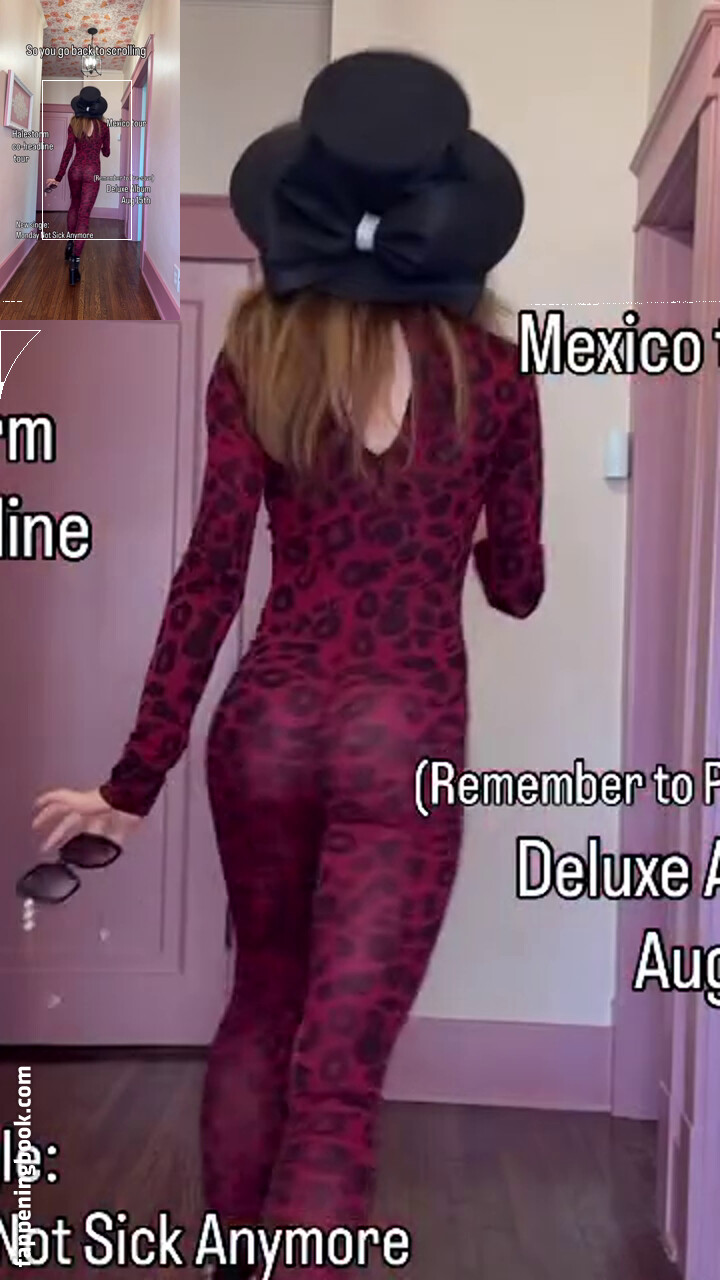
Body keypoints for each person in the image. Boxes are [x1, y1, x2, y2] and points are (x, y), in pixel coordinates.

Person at [32, 50, 545, 1279]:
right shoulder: (495, 376)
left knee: (262, 1004)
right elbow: (519, 584)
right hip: (404, 735)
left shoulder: (256, 358)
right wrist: (467, 535)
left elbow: (210, 575)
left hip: (265, 727)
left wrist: (131, 783)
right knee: (337, 1081)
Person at [44, 84, 110, 287]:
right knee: (84, 215)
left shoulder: (74, 124)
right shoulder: (104, 127)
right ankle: (75, 263)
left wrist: (58, 177)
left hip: (75, 170)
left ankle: (70, 243)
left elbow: (67, 152)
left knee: (74, 206)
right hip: (92, 172)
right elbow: (106, 152)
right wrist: (100, 145)